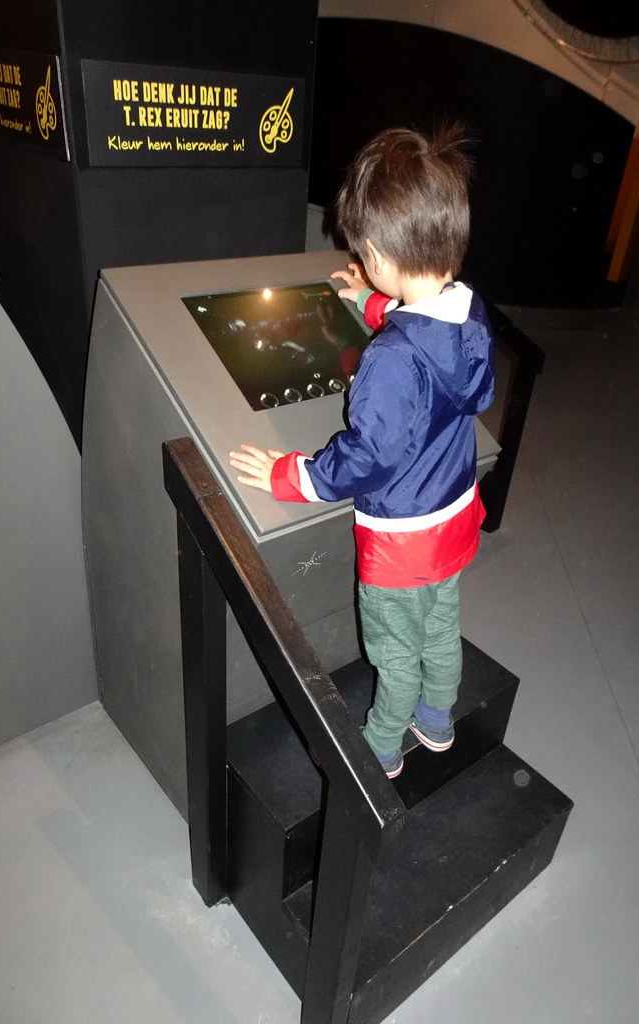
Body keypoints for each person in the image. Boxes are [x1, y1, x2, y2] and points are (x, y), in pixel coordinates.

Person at [229, 126, 494, 778]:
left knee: (394, 651)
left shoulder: (389, 361)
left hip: (401, 542)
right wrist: (371, 301)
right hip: (455, 518)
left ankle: (380, 748)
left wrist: (291, 475)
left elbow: (363, 456)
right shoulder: (470, 314)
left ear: (374, 251)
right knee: (439, 627)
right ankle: (436, 720)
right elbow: (425, 337)